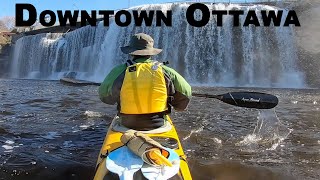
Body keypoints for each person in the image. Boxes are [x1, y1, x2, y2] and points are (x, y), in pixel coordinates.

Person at [99, 33, 191, 130]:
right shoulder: (165, 71)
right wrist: (178, 106)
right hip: (158, 124)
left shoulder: (119, 70)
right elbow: (186, 92)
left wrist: (118, 97)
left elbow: (104, 95)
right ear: (151, 52)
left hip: (127, 124)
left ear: (131, 52)